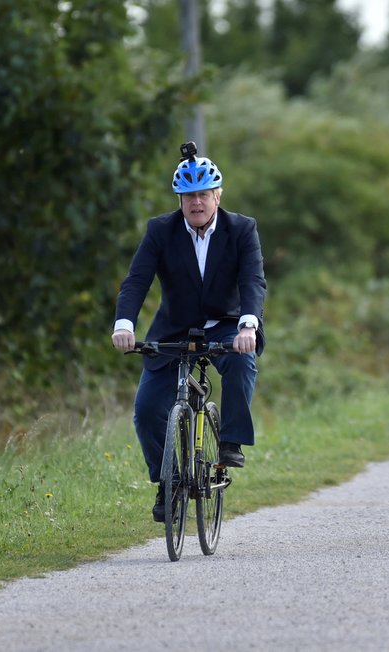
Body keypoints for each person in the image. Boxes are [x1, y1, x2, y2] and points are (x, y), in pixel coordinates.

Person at [112, 143, 267, 523]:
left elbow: (253, 281)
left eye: (203, 194)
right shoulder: (160, 231)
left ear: (217, 195)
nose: (196, 202)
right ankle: (169, 482)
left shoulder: (241, 229)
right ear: (179, 199)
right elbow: (137, 281)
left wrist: (248, 323)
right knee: (148, 409)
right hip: (175, 327)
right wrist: (124, 323)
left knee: (241, 363)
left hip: (228, 323)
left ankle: (230, 441)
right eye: (188, 196)